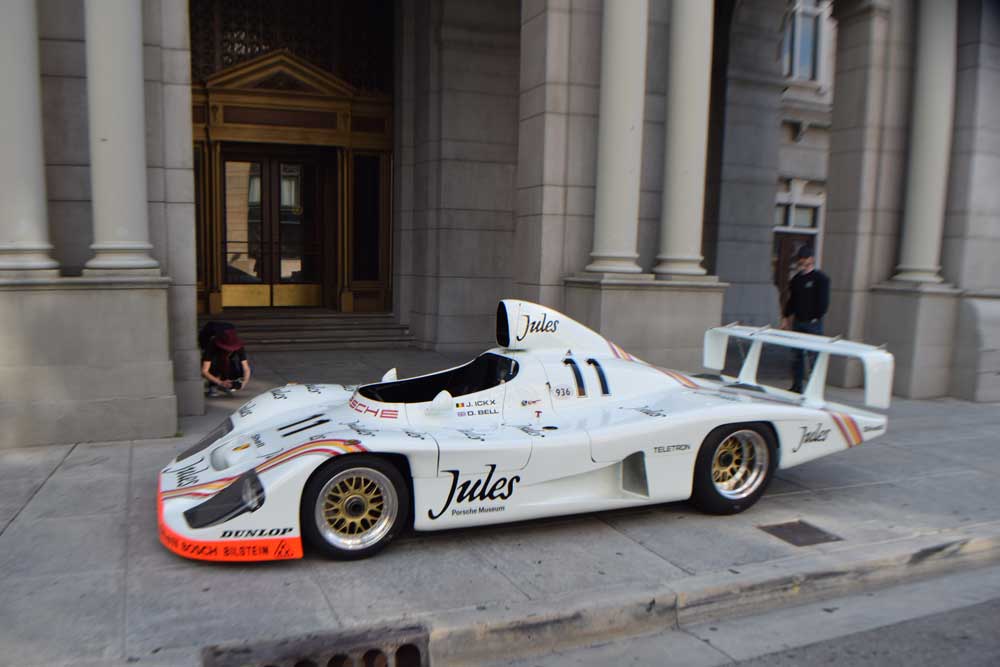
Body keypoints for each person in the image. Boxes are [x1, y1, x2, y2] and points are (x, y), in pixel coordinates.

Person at [781, 245, 829, 393]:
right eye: (801, 262)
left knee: (813, 356)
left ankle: (815, 388)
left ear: (812, 260)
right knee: (797, 356)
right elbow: (792, 300)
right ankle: (797, 385)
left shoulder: (820, 278)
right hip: (798, 321)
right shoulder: (796, 279)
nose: (804, 265)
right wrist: (786, 316)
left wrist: (816, 317)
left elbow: (823, 302)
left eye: (807, 262)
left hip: (813, 322)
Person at [201, 328, 252, 396]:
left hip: (228, 364)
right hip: (214, 363)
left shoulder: (239, 346)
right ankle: (213, 385)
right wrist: (220, 382)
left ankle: (228, 381)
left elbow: (246, 367)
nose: (229, 350)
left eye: (231, 348)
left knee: (236, 364)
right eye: (227, 348)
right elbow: (204, 371)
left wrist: (244, 383)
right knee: (214, 364)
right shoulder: (212, 345)